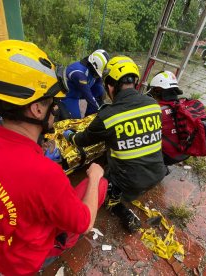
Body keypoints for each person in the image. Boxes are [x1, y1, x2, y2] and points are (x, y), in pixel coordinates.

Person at [0, 40, 108, 275]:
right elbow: (85, 225)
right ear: (37, 109)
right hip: (23, 262)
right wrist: (94, 176)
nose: (56, 108)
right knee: (99, 185)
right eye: (53, 102)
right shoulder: (44, 173)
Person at [63, 56, 167, 233]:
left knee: (102, 184)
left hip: (131, 183)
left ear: (110, 86)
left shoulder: (108, 115)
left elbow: (83, 140)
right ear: (135, 82)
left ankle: (120, 209)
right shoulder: (153, 105)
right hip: (157, 174)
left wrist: (71, 135)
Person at [148, 71, 190, 165]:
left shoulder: (156, 111)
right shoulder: (181, 106)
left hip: (167, 156)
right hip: (185, 153)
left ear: (157, 90)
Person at [61, 49, 109, 119]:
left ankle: (90, 116)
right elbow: (88, 96)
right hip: (69, 96)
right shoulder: (78, 73)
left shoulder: (94, 70)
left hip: (80, 92)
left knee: (99, 90)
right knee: (74, 120)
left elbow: (99, 87)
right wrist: (101, 113)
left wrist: (101, 106)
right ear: (95, 66)